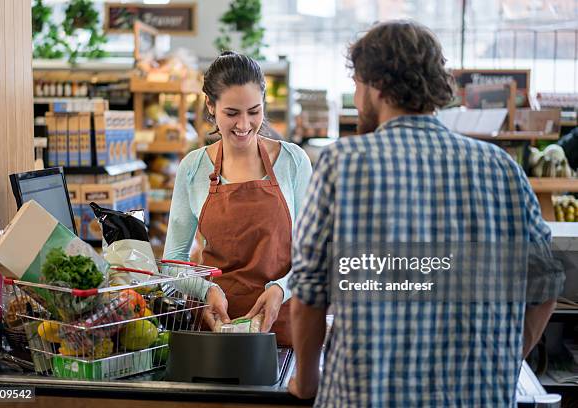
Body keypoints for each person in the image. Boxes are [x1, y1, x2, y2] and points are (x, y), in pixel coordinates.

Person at [288, 20, 564, 406]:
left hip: (366, 395)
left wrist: (306, 383)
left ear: (376, 86)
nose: (356, 95)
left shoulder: (342, 162)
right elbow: (547, 283)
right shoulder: (501, 167)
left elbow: (308, 297)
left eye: (357, 84)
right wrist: (506, 357)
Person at [163, 51, 312, 346]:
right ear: (210, 105)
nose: (244, 124)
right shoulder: (193, 168)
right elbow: (171, 264)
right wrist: (205, 291)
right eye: (232, 113)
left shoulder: (293, 162)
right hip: (216, 331)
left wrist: (281, 289)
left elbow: (314, 256)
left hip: (282, 330)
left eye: (254, 111)